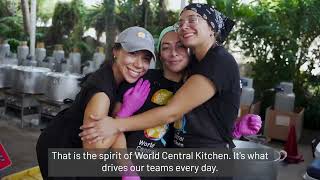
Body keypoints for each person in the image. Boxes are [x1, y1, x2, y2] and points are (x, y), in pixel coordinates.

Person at [36, 26, 156, 179]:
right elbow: (93, 151)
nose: (139, 64)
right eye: (133, 54)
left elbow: (112, 127)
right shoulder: (101, 95)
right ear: (115, 52)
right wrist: (125, 113)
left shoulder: (119, 78)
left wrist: (127, 168)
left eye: (145, 58)